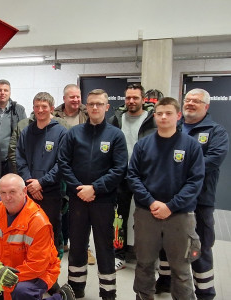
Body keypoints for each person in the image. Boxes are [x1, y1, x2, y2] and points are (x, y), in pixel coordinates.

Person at [128, 97, 205, 300]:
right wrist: (152, 202)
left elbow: (195, 182)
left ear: (178, 116)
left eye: (168, 113)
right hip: (147, 213)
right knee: (144, 264)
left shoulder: (191, 146)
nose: (163, 117)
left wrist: (170, 206)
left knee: (181, 268)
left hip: (179, 216)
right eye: (159, 113)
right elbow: (133, 176)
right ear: (154, 116)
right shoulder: (143, 145)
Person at [155, 89, 229, 300]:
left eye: (196, 101)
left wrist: (178, 171)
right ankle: (166, 281)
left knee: (199, 247)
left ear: (206, 106)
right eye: (187, 100)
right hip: (169, 199)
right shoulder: (173, 127)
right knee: (165, 243)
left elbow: (212, 161)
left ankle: (205, 291)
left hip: (199, 200)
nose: (190, 104)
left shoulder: (216, 131)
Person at [58, 89, 127, 300]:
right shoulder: (74, 133)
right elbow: (63, 163)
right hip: (78, 200)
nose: (94, 107)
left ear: (107, 107)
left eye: (99, 104)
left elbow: (119, 168)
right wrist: (80, 188)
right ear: (85, 107)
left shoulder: (116, 135)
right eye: (90, 104)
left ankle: (108, 292)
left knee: (104, 247)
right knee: (77, 245)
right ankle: (76, 289)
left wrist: (95, 188)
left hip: (103, 201)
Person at [0, 173, 74, 300]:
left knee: (21, 291)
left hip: (41, 271)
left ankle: (61, 298)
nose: (7, 197)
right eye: (3, 193)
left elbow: (37, 265)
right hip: (7, 268)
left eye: (12, 192)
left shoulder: (38, 222)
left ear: (24, 191)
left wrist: (1, 284)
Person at [108, 83, 156, 270]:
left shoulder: (152, 120)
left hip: (145, 178)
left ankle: (147, 256)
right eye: (128, 98)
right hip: (121, 177)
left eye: (135, 98)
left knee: (146, 219)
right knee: (119, 218)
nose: (131, 101)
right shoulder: (116, 119)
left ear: (143, 99)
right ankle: (118, 254)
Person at [16, 92, 67, 250]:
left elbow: (62, 163)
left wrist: (41, 183)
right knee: (30, 232)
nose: (40, 110)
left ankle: (51, 272)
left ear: (51, 108)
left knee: (50, 232)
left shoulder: (61, 132)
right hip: (29, 191)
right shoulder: (26, 132)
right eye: (37, 106)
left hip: (51, 192)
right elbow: (20, 159)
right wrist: (31, 183)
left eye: (44, 106)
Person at [52, 83, 95, 264]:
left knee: (82, 212)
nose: (76, 100)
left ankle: (85, 248)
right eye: (72, 97)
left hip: (81, 169)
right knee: (62, 209)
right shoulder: (54, 115)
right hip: (60, 168)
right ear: (64, 99)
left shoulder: (87, 114)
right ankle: (63, 243)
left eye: (78, 96)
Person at [0, 79, 27, 176]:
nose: (2, 93)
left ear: (10, 92)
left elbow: (24, 133)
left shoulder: (19, 110)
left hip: (11, 159)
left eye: (5, 90)